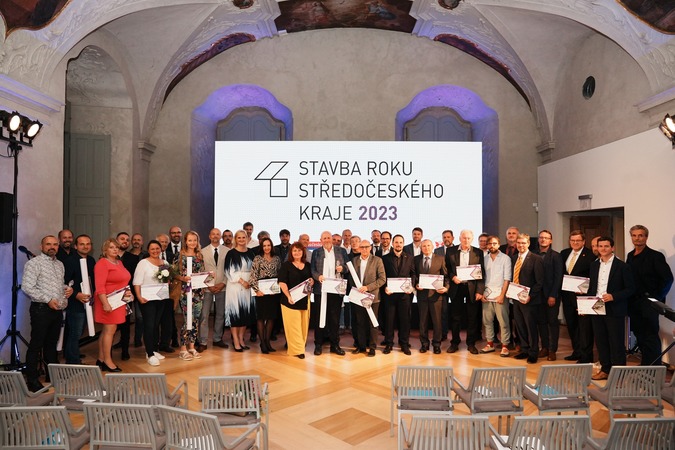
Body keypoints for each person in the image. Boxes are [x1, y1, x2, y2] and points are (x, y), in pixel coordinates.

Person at [22, 235, 73, 391]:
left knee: (51, 344)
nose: (52, 247)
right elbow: (27, 287)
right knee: (36, 344)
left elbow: (58, 285)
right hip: (41, 309)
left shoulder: (59, 264)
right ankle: (32, 380)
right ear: (41, 246)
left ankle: (52, 376)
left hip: (56, 310)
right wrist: (48, 299)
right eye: (48, 244)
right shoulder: (33, 263)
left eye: (55, 244)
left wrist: (67, 289)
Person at [588, 237, 635, 380]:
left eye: (606, 246)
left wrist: (613, 296)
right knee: (601, 341)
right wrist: (585, 305)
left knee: (616, 342)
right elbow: (592, 287)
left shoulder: (622, 266)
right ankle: (605, 369)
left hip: (615, 308)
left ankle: (619, 374)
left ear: (612, 248)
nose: (603, 249)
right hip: (597, 307)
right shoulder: (594, 265)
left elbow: (630, 289)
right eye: (600, 246)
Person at [626, 225, 673, 366]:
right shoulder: (630, 256)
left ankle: (654, 367)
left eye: (640, 235)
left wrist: (655, 299)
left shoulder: (655, 256)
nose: (637, 238)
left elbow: (668, 279)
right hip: (633, 303)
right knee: (639, 335)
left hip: (649, 303)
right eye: (634, 235)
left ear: (646, 237)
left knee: (650, 336)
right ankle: (645, 365)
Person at [94, 238, 131, 372]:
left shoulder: (119, 262)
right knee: (110, 331)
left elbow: (123, 281)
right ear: (105, 250)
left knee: (107, 331)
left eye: (116, 247)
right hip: (107, 301)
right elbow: (99, 287)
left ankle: (101, 359)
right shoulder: (102, 263)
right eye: (111, 247)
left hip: (118, 301)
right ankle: (108, 362)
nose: (115, 249)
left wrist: (128, 294)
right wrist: (105, 304)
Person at [446, 229, 485, 354]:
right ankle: (455, 342)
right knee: (455, 317)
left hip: (472, 288)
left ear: (472, 239)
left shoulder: (478, 252)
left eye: (468, 238)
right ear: (459, 238)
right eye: (464, 238)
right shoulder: (451, 251)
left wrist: (479, 291)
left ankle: (471, 343)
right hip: (456, 287)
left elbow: (481, 272)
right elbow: (447, 269)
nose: (466, 240)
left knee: (472, 317)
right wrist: (453, 277)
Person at [560, 230, 595, 363]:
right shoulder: (564, 253)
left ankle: (586, 356)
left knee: (584, 328)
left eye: (578, 240)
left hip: (583, 297)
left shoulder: (590, 255)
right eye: (573, 240)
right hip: (567, 296)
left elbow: (593, 277)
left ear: (583, 242)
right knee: (572, 325)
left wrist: (586, 289)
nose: (575, 243)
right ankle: (577, 351)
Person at [311, 230, 348, 356]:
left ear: (332, 239)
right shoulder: (316, 252)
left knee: (335, 319)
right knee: (319, 318)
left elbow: (348, 267)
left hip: (336, 290)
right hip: (320, 290)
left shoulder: (341, 251)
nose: (327, 240)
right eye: (324, 238)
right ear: (321, 240)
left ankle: (334, 345)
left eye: (328, 238)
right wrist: (318, 276)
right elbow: (312, 270)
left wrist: (343, 268)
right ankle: (318, 344)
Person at [509, 233, 544, 364]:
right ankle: (524, 349)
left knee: (531, 326)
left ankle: (533, 352)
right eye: (519, 243)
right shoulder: (513, 258)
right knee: (519, 325)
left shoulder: (536, 259)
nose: (521, 245)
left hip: (529, 300)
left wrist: (530, 296)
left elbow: (539, 282)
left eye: (523, 243)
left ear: (528, 243)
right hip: (515, 298)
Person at [133, 240, 168, 366]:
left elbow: (166, 281)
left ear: (161, 249)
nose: (155, 251)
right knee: (149, 325)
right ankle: (149, 353)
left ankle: (154, 349)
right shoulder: (143, 263)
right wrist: (139, 296)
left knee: (156, 324)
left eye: (157, 248)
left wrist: (165, 290)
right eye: (152, 249)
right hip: (146, 299)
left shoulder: (165, 263)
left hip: (160, 298)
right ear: (148, 250)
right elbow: (137, 282)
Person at [349, 239, 386, 356]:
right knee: (360, 323)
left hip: (373, 297)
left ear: (370, 248)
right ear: (359, 249)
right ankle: (361, 346)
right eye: (362, 247)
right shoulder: (354, 260)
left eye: (366, 247)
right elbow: (351, 278)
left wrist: (367, 288)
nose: (364, 249)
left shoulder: (377, 260)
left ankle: (372, 347)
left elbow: (382, 279)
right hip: (358, 297)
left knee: (372, 323)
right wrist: (356, 290)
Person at [172, 230, 205, 361]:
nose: (192, 243)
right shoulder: (180, 255)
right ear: (185, 241)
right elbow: (173, 273)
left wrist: (208, 277)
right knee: (188, 320)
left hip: (198, 292)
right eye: (190, 240)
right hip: (185, 292)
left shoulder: (199, 255)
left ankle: (191, 347)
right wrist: (183, 278)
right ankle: (183, 349)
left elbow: (202, 272)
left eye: (194, 240)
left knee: (195, 320)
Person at [63, 234, 95, 364]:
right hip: (74, 302)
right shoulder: (69, 261)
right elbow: (64, 283)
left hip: (88, 302)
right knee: (75, 332)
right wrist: (76, 294)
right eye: (82, 244)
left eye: (88, 244)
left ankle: (72, 355)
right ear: (76, 246)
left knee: (80, 331)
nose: (85, 246)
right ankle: (73, 362)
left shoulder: (91, 260)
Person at [382, 234, 416, 355]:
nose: (398, 244)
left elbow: (413, 274)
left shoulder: (410, 258)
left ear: (403, 243)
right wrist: (385, 287)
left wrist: (411, 286)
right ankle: (389, 343)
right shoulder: (385, 258)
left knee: (405, 320)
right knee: (389, 321)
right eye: (396, 242)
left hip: (404, 295)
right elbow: (382, 276)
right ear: (392, 243)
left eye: (400, 242)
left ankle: (404, 344)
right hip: (389, 295)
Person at [414, 239, 449, 354]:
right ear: (421, 248)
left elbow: (446, 276)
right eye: (424, 246)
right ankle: (424, 344)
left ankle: (436, 344)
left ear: (433, 246)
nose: (426, 248)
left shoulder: (440, 259)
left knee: (437, 322)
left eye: (428, 245)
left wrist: (446, 287)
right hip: (422, 296)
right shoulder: (416, 259)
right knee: (422, 322)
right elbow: (414, 276)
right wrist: (416, 284)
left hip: (436, 296)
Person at [278, 242, 313, 359]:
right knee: (294, 327)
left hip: (304, 300)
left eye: (299, 250)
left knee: (303, 325)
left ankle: (301, 346)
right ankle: (297, 350)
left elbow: (311, 279)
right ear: (291, 253)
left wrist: (312, 281)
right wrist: (288, 296)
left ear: (303, 252)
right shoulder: (286, 265)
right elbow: (282, 282)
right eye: (294, 250)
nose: (297, 252)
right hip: (290, 300)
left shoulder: (307, 265)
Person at [480, 236, 512, 357]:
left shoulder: (505, 258)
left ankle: (505, 346)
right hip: (487, 294)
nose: (492, 246)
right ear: (487, 245)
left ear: (498, 245)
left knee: (503, 322)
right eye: (490, 244)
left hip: (500, 295)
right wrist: (481, 293)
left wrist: (502, 295)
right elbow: (481, 278)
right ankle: (490, 344)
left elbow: (507, 278)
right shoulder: (484, 259)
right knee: (487, 321)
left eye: (494, 243)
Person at [224, 230, 256, 351]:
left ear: (247, 238)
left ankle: (242, 339)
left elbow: (254, 269)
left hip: (248, 287)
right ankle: (236, 341)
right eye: (239, 238)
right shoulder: (231, 253)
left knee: (245, 313)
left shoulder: (251, 252)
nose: (242, 240)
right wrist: (242, 282)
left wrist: (251, 282)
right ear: (235, 239)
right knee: (235, 313)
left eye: (244, 237)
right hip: (235, 286)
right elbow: (228, 271)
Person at [249, 237, 282, 353]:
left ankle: (267, 342)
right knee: (261, 318)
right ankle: (262, 343)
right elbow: (253, 276)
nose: (267, 248)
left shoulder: (277, 259)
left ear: (271, 246)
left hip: (273, 292)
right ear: (261, 247)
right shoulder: (257, 258)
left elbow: (280, 274)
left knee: (271, 317)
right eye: (264, 246)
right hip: (261, 293)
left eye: (268, 245)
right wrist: (257, 290)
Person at [536, 230, 564, 361]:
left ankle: (553, 350)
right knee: (541, 322)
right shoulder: (533, 254)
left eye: (546, 238)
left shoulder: (556, 256)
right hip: (537, 296)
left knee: (552, 322)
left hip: (551, 295)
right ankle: (545, 347)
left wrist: (553, 295)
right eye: (541, 237)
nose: (543, 240)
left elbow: (558, 277)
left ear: (551, 240)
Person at [200, 228, 228, 350]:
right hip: (207, 288)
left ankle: (217, 339)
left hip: (222, 287)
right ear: (209, 236)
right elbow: (201, 270)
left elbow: (229, 270)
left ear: (220, 236)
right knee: (204, 315)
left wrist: (223, 283)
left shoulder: (227, 251)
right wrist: (209, 285)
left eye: (218, 234)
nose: (215, 236)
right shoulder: (202, 252)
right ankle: (203, 342)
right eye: (213, 234)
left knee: (220, 314)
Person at [156, 233, 175, 354]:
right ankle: (154, 344)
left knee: (168, 319)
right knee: (155, 319)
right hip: (154, 293)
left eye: (165, 242)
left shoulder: (171, 256)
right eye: (161, 242)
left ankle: (165, 344)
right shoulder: (147, 257)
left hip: (168, 292)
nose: (163, 244)